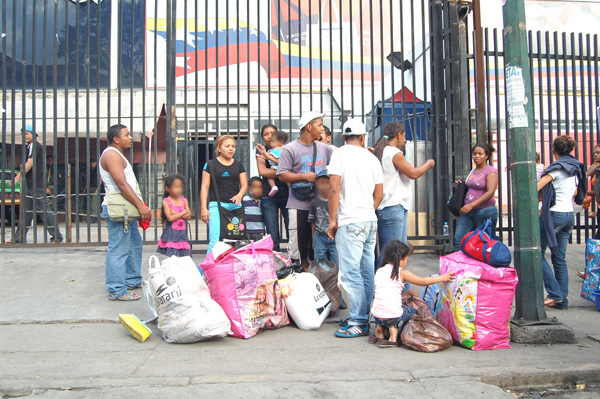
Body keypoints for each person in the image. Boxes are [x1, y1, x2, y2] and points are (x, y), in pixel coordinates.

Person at [328, 118, 384, 338]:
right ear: (363, 137)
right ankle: (364, 315)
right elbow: (379, 194)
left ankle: (359, 321)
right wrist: (367, 211)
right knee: (367, 271)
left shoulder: (339, 154)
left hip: (350, 221)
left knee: (351, 272)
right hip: (369, 220)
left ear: (343, 137)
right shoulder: (372, 159)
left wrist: (333, 220)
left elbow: (333, 188)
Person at [99, 124, 151, 301]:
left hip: (126, 210)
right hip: (119, 210)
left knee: (134, 243)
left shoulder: (116, 154)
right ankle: (116, 289)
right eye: (127, 135)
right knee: (119, 249)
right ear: (116, 139)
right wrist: (141, 206)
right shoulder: (111, 155)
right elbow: (121, 185)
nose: (130, 138)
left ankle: (132, 278)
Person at [370, 240, 455, 347]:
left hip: (376, 314)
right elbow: (423, 281)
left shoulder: (379, 271)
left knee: (386, 312)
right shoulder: (402, 273)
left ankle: (380, 333)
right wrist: (443, 277)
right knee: (414, 312)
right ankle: (393, 337)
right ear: (400, 258)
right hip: (393, 315)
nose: (406, 262)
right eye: (406, 259)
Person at [278, 112, 334, 269]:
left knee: (317, 245)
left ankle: (316, 274)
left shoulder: (325, 148)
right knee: (299, 244)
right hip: (298, 204)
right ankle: (299, 272)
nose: (322, 129)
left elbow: (339, 161)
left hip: (321, 205)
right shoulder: (290, 149)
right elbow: (282, 174)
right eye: (320, 125)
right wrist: (304, 176)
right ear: (309, 127)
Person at [373, 121, 435, 263]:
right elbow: (413, 173)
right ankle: (385, 282)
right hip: (393, 206)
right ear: (399, 135)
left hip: (391, 207)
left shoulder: (381, 151)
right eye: (404, 135)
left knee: (393, 250)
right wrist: (428, 164)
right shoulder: (393, 152)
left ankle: (399, 283)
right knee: (393, 251)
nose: (405, 140)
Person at [538, 135, 586, 310]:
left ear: (553, 151)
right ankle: (562, 300)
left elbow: (535, 187)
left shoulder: (555, 170)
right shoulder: (575, 169)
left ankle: (555, 294)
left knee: (538, 254)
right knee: (559, 259)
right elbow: (575, 193)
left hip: (554, 215)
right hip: (568, 216)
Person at [13, 124, 63, 244]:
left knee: (44, 211)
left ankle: (57, 236)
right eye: (23, 134)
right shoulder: (30, 146)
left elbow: (30, 163)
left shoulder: (34, 145)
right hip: (31, 185)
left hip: (36, 185)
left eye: (26, 134)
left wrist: (17, 177)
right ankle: (18, 237)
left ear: (32, 134)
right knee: (26, 212)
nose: (24, 136)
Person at [200, 135, 248, 254]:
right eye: (227, 146)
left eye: (233, 146)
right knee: (215, 239)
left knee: (237, 238)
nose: (231, 149)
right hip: (216, 204)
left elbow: (245, 185)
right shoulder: (210, 165)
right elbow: (204, 187)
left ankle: (231, 267)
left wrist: (240, 195)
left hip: (235, 206)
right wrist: (203, 208)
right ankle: (208, 269)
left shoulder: (239, 165)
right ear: (219, 148)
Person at [452, 144, 499, 251]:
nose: (476, 156)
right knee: (459, 238)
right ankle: (459, 265)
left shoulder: (491, 171)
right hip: (467, 211)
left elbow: (490, 192)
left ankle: (486, 267)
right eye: (474, 154)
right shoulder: (473, 170)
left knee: (485, 242)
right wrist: (461, 185)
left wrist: (472, 204)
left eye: (480, 154)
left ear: (486, 156)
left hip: (485, 212)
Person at [255, 124, 289, 252]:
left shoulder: (287, 149)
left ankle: (294, 261)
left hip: (287, 194)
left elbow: (291, 167)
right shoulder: (260, 151)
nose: (269, 137)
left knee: (291, 229)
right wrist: (285, 173)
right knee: (272, 232)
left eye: (272, 133)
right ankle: (274, 262)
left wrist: (286, 172)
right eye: (265, 134)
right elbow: (263, 171)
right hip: (269, 196)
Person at [157, 173, 191, 257]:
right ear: (168, 188)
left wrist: (175, 213)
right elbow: (170, 218)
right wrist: (183, 212)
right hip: (171, 234)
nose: (179, 189)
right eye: (176, 187)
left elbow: (189, 215)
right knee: (172, 257)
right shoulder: (166, 201)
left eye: (180, 187)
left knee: (183, 257)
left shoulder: (184, 200)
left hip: (182, 234)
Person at [308, 169, 338, 265]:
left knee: (336, 263)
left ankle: (336, 280)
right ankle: (321, 280)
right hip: (320, 237)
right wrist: (313, 240)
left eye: (327, 182)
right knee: (320, 264)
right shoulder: (314, 202)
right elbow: (313, 222)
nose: (325, 185)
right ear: (317, 184)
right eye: (322, 183)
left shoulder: (337, 201)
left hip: (335, 237)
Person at [263, 131, 288, 197]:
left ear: (280, 142)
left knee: (270, 177)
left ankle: (273, 186)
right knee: (288, 179)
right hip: (286, 169)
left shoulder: (273, 151)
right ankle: (290, 188)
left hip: (275, 167)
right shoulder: (286, 149)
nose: (271, 143)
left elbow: (267, 157)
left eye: (273, 141)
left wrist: (265, 156)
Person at [243, 177, 266, 242]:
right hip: (247, 231)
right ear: (249, 188)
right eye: (255, 187)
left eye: (260, 187)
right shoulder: (245, 200)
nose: (257, 190)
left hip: (260, 231)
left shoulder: (264, 202)